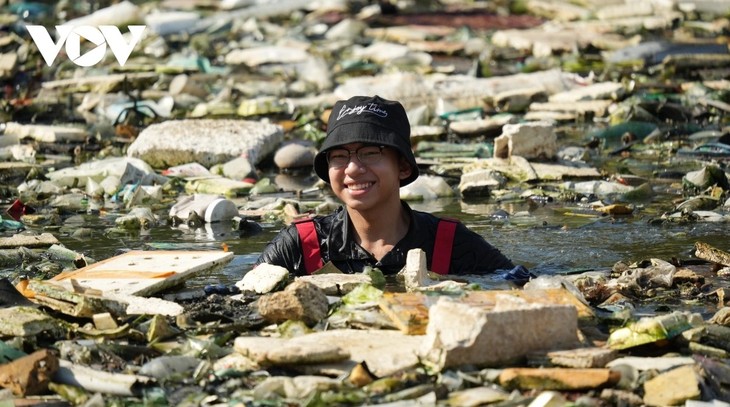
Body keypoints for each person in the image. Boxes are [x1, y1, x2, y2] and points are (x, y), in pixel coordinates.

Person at [256, 95, 515, 276]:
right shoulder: (302, 245)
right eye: (339, 156)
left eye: (370, 152)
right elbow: (243, 296)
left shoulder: (447, 243)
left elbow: (523, 283)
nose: (353, 168)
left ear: (402, 166)